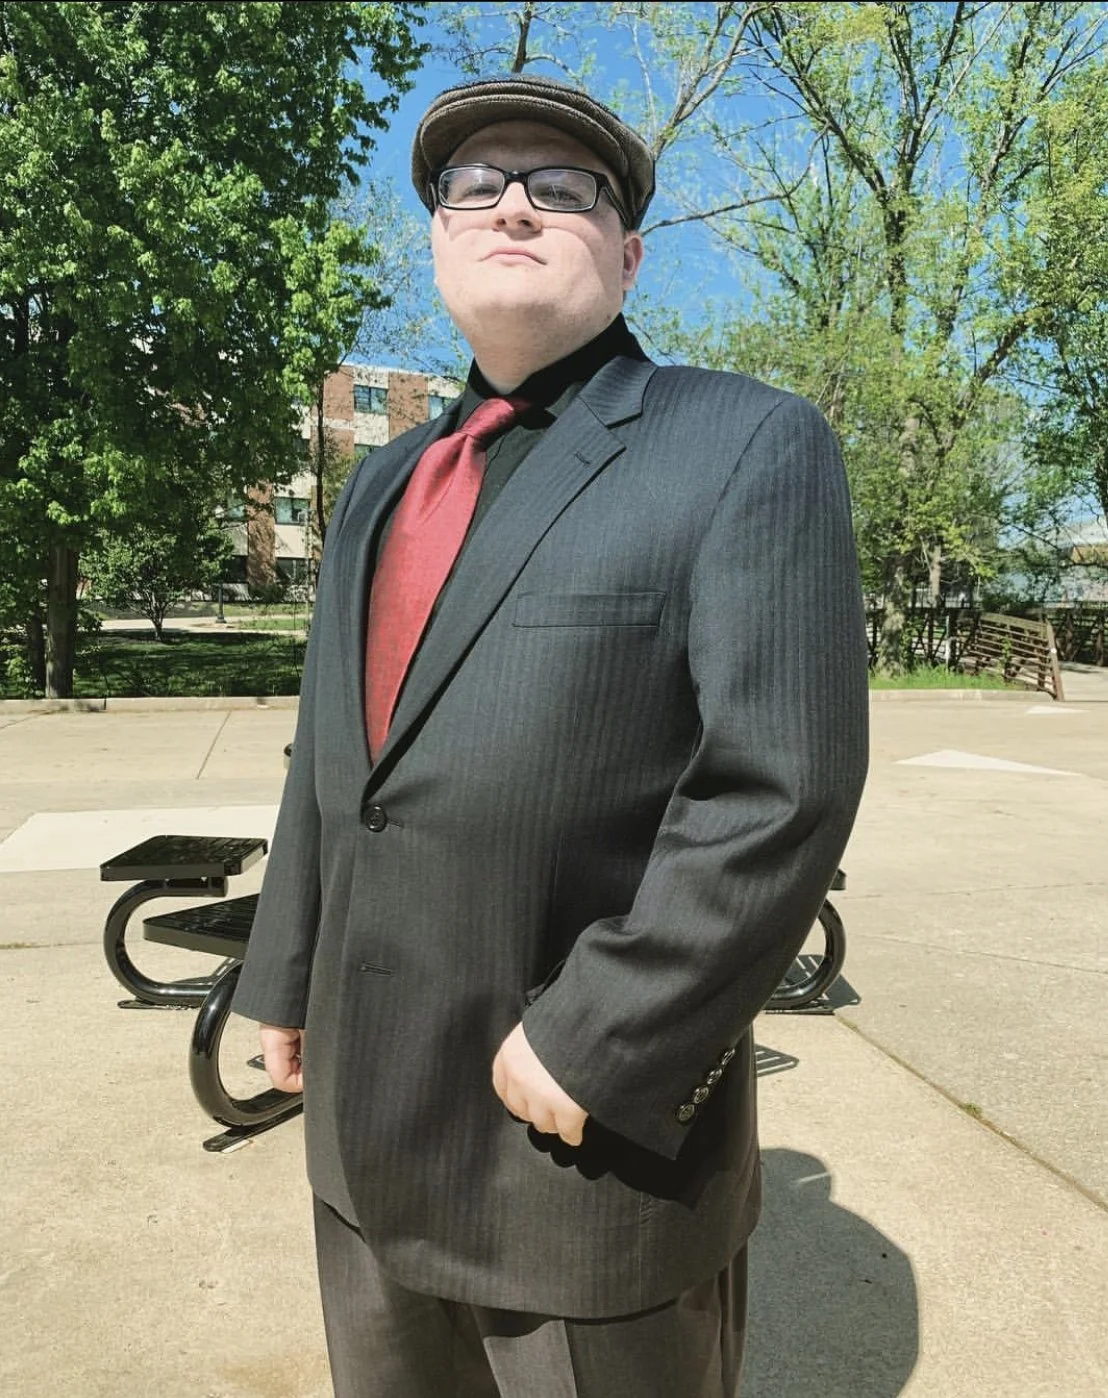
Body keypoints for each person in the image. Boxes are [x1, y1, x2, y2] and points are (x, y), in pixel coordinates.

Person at [233, 74, 869, 1398]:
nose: (512, 204)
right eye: (475, 184)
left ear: (628, 254)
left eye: (561, 186)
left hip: (577, 1157)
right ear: (439, 240)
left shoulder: (745, 443)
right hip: (360, 1138)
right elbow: (334, 761)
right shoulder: (379, 484)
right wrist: (283, 972)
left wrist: (606, 1039)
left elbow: (780, 786)